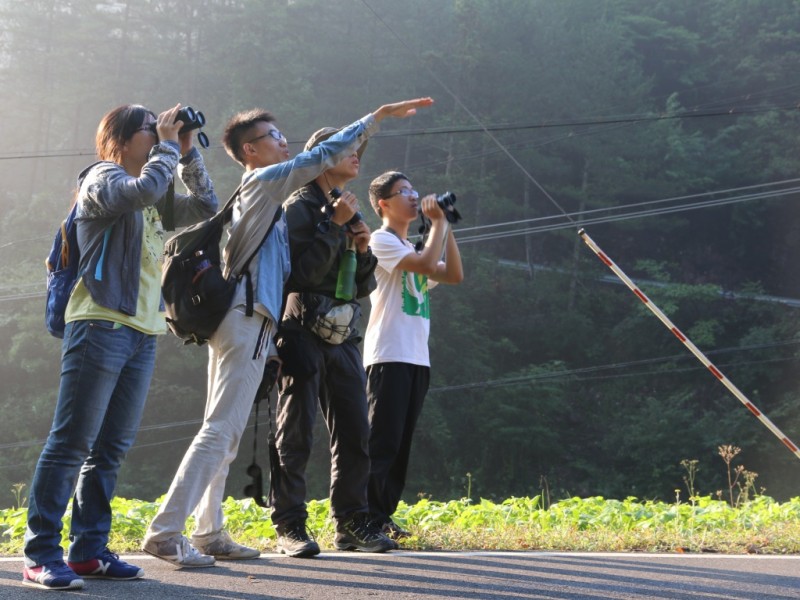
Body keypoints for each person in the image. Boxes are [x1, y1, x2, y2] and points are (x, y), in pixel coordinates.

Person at [142, 97, 434, 566]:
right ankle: (165, 529)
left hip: (243, 320)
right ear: (251, 151)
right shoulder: (264, 183)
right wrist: (373, 119)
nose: (284, 143)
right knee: (220, 430)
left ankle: (209, 531)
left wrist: (187, 149)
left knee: (226, 430)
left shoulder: (252, 191)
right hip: (248, 317)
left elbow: (205, 201)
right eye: (274, 138)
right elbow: (317, 158)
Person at [22, 104, 219, 591]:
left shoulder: (154, 188)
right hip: (100, 323)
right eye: (151, 129)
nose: (160, 134)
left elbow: (207, 205)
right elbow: (144, 189)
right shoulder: (102, 178)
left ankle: (88, 551)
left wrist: (187, 152)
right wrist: (169, 149)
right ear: (124, 138)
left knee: (110, 448)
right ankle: (41, 552)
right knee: (71, 443)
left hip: (143, 331)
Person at [270, 101, 433, 557]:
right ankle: (290, 526)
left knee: (356, 433)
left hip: (344, 335)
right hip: (300, 330)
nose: (357, 155)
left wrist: (360, 249)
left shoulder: (348, 209)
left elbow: (361, 287)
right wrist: (333, 229)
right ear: (323, 157)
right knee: (296, 432)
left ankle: (352, 524)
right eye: (348, 149)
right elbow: (296, 275)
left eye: (359, 147)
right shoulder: (299, 207)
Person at [363, 171, 463, 540]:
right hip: (388, 353)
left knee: (401, 442)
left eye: (413, 190)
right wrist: (436, 223)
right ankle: (366, 517)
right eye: (402, 192)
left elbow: (452, 275)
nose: (412, 196)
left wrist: (445, 226)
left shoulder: (414, 248)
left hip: (416, 357)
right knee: (383, 440)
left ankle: (383, 515)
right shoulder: (381, 240)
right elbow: (423, 265)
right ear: (383, 204)